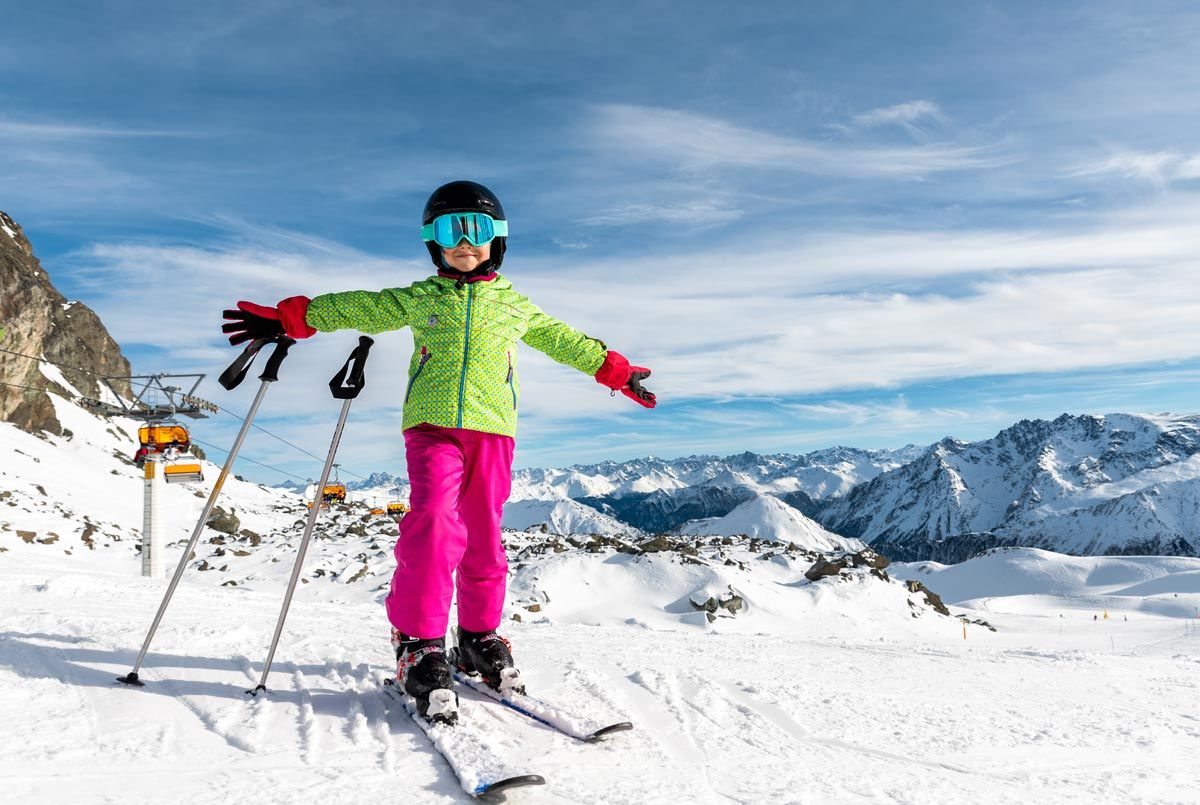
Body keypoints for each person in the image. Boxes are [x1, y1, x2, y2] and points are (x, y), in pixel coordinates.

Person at [222, 181, 656, 724]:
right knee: (432, 521)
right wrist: (290, 318)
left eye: (476, 230)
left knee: (483, 535)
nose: (464, 242)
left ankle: (476, 639)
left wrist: (617, 371)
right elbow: (359, 306)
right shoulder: (420, 296)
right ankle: (419, 645)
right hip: (431, 428)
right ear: (433, 241)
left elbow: (564, 340)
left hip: (494, 431)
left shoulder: (515, 306)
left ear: (497, 240)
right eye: (451, 230)